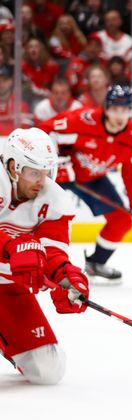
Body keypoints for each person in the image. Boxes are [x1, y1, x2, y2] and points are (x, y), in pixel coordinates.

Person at [39, 85, 132, 284]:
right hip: (57, 175)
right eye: (114, 109)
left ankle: (96, 264)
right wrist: (58, 162)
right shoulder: (83, 120)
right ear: (106, 108)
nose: (119, 115)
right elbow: (45, 132)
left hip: (91, 179)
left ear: (131, 111)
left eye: (125, 110)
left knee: (122, 219)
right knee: (36, 211)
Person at [0, 127, 89, 385]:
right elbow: (14, 250)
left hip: (7, 290)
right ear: (13, 166)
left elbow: (53, 251)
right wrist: (11, 247)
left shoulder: (53, 199)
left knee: (48, 371)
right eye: (34, 173)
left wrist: (66, 277)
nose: (42, 181)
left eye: (46, 172)